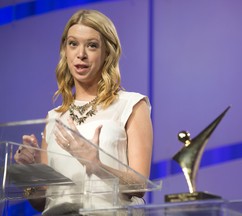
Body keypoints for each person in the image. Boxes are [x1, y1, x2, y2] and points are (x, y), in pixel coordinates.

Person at [14, 9, 153, 215]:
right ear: (65, 51)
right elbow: (43, 202)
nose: (81, 54)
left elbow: (139, 186)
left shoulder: (131, 105)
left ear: (107, 52)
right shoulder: (54, 118)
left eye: (92, 45)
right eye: (73, 44)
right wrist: (30, 172)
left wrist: (96, 166)